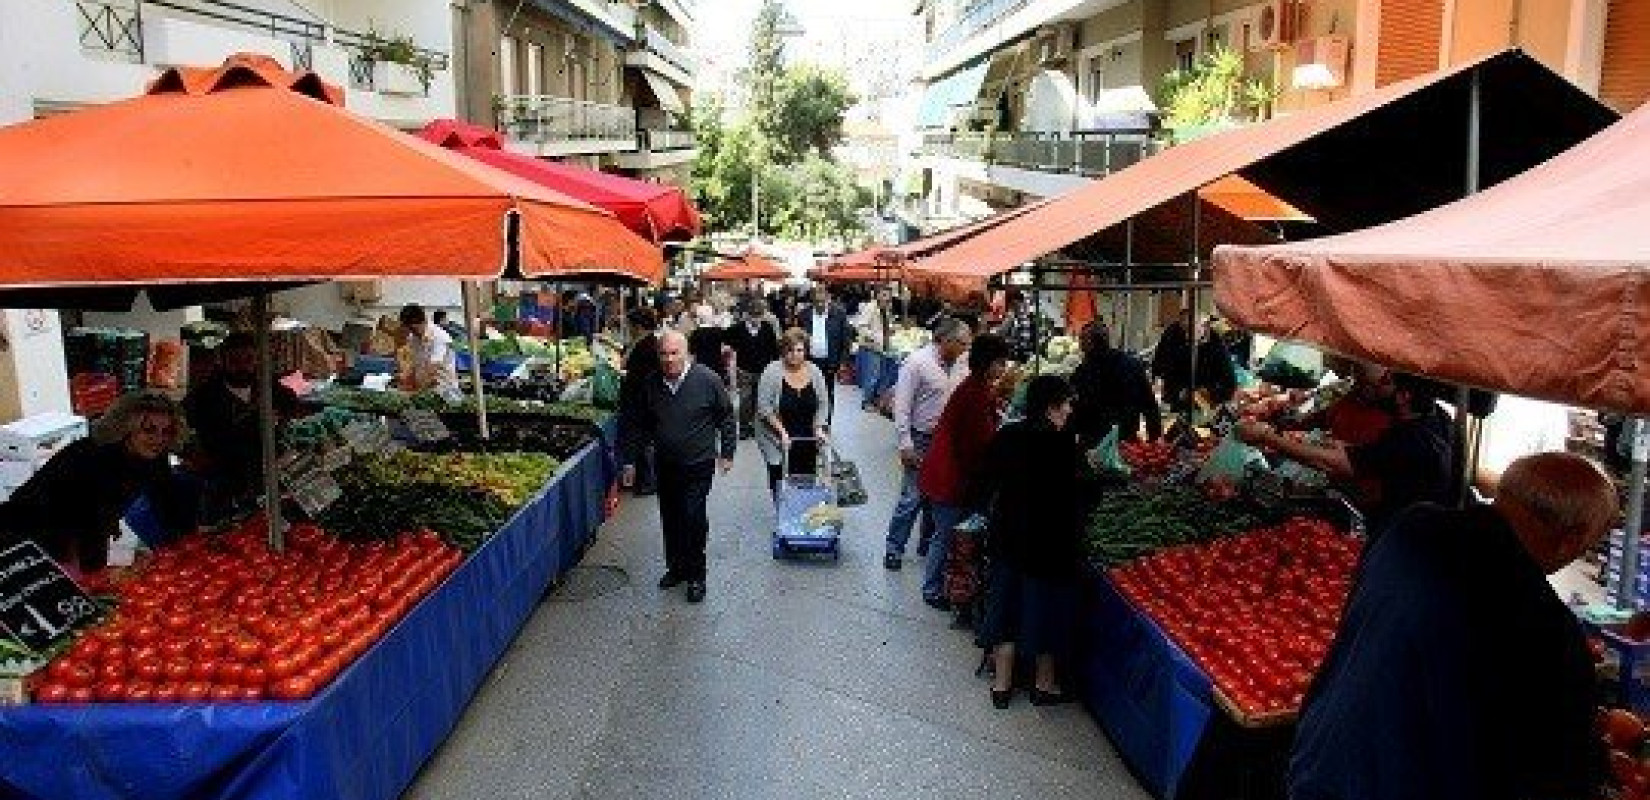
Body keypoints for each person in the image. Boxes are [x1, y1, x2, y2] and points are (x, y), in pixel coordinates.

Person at [1288, 452, 1613, 800]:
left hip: (1325, 762)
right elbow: (1557, 770)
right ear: (1571, 539)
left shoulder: (1409, 528)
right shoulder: (1546, 629)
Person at [1239, 371, 1454, 536]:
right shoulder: (1437, 419)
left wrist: (1267, 438)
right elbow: (1370, 456)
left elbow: (1336, 464)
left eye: (1387, 384)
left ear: (1404, 396)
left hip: (1403, 531)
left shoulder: (1410, 440)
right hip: (1415, 523)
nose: (1378, 388)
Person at [976, 375, 1083, 709]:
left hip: (1009, 538)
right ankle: (1043, 685)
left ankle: (1002, 685)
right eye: (1066, 403)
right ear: (1051, 407)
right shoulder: (1064, 445)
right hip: (1048, 547)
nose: (1069, 410)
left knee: (1006, 606)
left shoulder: (1008, 435)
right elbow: (1077, 497)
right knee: (1045, 611)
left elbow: (985, 480)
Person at [0, 392, 191, 576]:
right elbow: (78, 519)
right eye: (149, 430)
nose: (159, 439)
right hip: (29, 528)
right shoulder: (94, 458)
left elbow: (166, 501)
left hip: (80, 527)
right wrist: (83, 570)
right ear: (126, 428)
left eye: (166, 431)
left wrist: (186, 544)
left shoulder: (155, 457)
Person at [618, 330, 737, 604]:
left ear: (687, 354)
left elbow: (726, 417)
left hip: (698, 463)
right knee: (671, 517)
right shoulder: (651, 383)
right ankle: (677, 567)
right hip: (666, 464)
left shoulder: (707, 380)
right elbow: (638, 424)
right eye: (664, 354)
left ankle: (696, 575)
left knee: (693, 517)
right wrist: (629, 461)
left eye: (675, 353)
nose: (669, 359)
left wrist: (727, 452)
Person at [916, 333, 1012, 610]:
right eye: (1000, 362)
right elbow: (976, 444)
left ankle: (940, 585)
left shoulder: (977, 388)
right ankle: (931, 589)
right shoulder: (974, 393)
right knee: (945, 535)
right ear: (988, 362)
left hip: (947, 472)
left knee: (943, 533)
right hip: (949, 475)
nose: (1004, 368)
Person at [884, 316, 972, 571]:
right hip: (920, 438)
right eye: (962, 343)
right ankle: (894, 548)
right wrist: (905, 443)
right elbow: (902, 406)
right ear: (945, 340)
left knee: (939, 495)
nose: (966, 348)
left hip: (947, 440)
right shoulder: (917, 363)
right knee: (912, 497)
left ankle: (926, 544)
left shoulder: (962, 364)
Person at [183, 332, 301, 521]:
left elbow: (291, 405)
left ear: (257, 360)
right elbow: (196, 439)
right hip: (223, 483)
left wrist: (280, 418)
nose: (242, 366)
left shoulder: (271, 388)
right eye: (234, 360)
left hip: (268, 476)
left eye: (249, 359)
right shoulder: (203, 397)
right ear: (222, 361)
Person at [755, 328, 831, 498]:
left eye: (799, 350)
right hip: (775, 434)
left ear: (806, 351)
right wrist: (782, 432)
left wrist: (818, 427)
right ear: (783, 351)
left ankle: (803, 507)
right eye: (790, 350)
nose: (795, 355)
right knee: (779, 475)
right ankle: (782, 506)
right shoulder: (771, 372)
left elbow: (823, 402)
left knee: (806, 475)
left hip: (806, 433)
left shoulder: (814, 371)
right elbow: (764, 408)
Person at [1067, 320, 1161, 451]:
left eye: (1081, 339)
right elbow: (1149, 404)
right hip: (1126, 438)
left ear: (1090, 342)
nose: (1079, 344)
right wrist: (1154, 439)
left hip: (1094, 442)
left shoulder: (1083, 372)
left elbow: (1074, 408)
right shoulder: (1132, 364)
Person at [619, 307, 663, 496]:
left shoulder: (648, 346)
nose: (628, 328)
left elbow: (642, 375)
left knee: (643, 440)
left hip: (642, 400)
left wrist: (625, 375)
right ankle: (644, 479)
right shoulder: (642, 342)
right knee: (642, 440)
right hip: (639, 398)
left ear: (638, 326)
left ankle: (648, 481)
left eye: (630, 325)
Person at [724, 298, 781, 439]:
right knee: (745, 400)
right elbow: (727, 342)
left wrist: (775, 366)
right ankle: (744, 427)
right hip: (744, 370)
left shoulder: (767, 328)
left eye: (759, 315)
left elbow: (774, 349)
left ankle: (758, 427)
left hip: (763, 370)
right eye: (754, 315)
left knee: (761, 399)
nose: (756, 319)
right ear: (748, 315)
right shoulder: (737, 329)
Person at [797, 285, 852, 420]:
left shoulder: (839, 314)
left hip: (830, 361)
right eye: (817, 302)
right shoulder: (804, 314)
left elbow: (846, 339)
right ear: (812, 300)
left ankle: (826, 422)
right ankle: (810, 420)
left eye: (823, 301)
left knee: (827, 392)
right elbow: (798, 337)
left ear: (828, 298)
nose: (820, 305)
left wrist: (843, 362)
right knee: (808, 391)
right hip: (809, 361)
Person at [397, 304, 459, 394]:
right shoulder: (413, 338)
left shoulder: (439, 337)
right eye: (409, 329)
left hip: (444, 390)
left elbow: (433, 368)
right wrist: (407, 377)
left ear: (424, 321)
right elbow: (413, 362)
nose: (412, 333)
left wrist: (416, 391)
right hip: (424, 388)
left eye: (414, 329)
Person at [997, 290, 1037, 363]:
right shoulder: (1021, 314)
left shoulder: (1021, 314)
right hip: (1024, 354)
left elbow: (1023, 340)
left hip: (1022, 355)